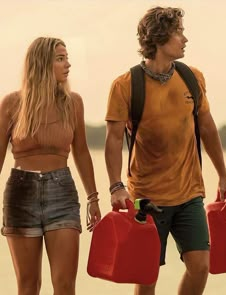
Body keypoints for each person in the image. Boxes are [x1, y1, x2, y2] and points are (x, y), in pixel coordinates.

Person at [105, 6, 226, 295]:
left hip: (189, 193)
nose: (185, 39)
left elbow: (208, 128)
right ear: (160, 37)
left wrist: (223, 175)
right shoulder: (126, 85)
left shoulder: (193, 78)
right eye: (179, 33)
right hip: (147, 198)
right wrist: (116, 186)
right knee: (147, 273)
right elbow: (113, 139)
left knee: (201, 265)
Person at [0, 37, 101, 295]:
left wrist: (93, 198)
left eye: (66, 57)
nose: (68, 64)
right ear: (43, 63)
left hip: (62, 193)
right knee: (28, 285)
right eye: (60, 58)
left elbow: (81, 152)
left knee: (65, 285)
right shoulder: (12, 104)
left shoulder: (72, 102)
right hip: (21, 194)